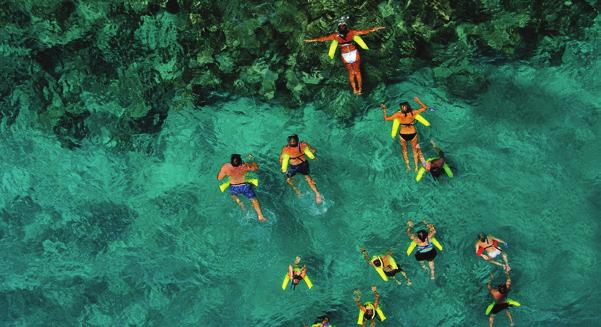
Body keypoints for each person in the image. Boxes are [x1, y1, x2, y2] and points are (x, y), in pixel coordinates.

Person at [304, 16, 384, 95]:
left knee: (355, 72)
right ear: (342, 27)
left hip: (349, 54)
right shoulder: (344, 34)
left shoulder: (342, 34)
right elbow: (323, 39)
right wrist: (311, 40)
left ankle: (358, 89)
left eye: (343, 26)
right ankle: (356, 89)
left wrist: (375, 29)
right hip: (351, 54)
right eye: (341, 26)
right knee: (353, 72)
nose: (342, 27)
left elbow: (365, 31)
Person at [381, 98, 429, 172]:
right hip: (413, 134)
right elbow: (425, 108)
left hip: (403, 134)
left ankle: (408, 166)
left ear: (401, 108)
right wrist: (418, 101)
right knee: (414, 150)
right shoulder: (413, 112)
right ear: (409, 107)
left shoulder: (398, 114)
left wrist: (384, 110)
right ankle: (416, 167)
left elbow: (386, 119)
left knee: (404, 150)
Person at [217, 154, 267, 222]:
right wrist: (252, 160)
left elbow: (219, 178)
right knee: (253, 199)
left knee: (233, 195)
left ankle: (239, 202)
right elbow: (256, 169)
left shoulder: (226, 167)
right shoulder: (245, 166)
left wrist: (227, 173)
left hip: (234, 187)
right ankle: (260, 216)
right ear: (241, 161)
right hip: (245, 186)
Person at [279, 134, 322, 204]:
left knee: (288, 180)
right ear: (297, 140)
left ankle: (297, 191)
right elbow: (313, 151)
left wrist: (284, 168)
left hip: (293, 167)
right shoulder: (303, 144)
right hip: (304, 164)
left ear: (288, 142)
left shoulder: (285, 149)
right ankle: (317, 194)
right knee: (308, 178)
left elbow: (281, 159)